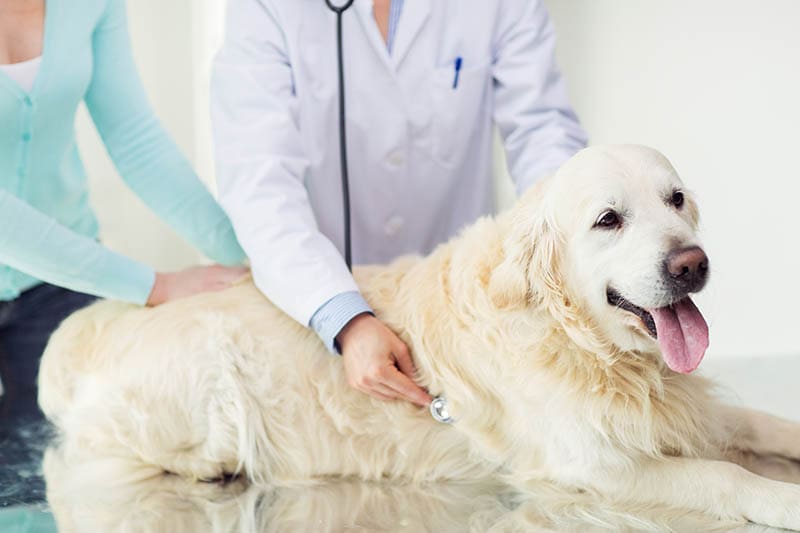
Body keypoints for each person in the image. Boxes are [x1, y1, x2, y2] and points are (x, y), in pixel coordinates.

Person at [211, 0, 588, 407]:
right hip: (321, 299)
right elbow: (259, 181)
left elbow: (543, 133)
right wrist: (342, 316)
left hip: (458, 305)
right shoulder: (265, 8)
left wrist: (564, 255)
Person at [0, 0, 248, 421]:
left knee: (62, 460)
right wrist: (153, 285)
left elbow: (137, 142)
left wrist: (251, 259)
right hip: (78, 265)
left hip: (57, 287)